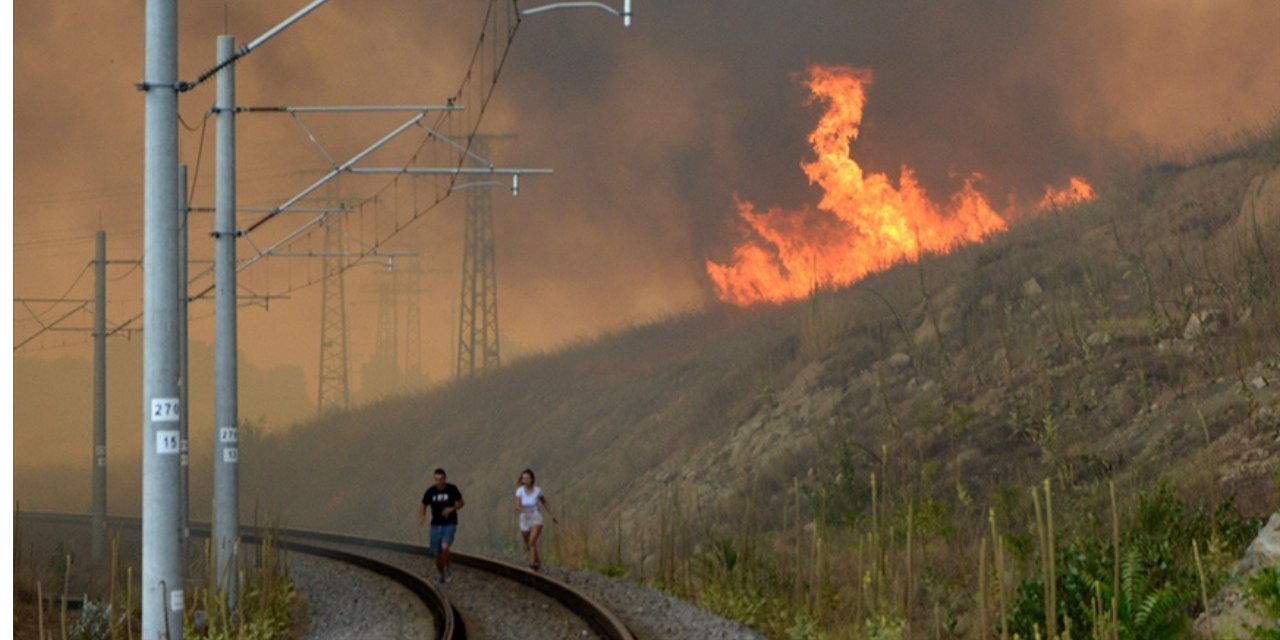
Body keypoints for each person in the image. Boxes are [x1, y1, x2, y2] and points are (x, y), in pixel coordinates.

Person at [419, 467, 464, 583]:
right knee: (437, 553)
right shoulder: (431, 491)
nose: (438, 482)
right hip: (435, 525)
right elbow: (423, 503)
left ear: (445, 478)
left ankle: (447, 569)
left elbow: (461, 502)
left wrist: (452, 509)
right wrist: (422, 515)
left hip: (449, 524)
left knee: (445, 546)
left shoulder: (452, 489)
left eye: (440, 479)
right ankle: (442, 574)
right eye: (436, 479)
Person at [514, 468, 557, 570]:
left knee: (532, 542)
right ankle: (537, 561)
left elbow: (544, 502)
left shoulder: (538, 490)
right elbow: (517, 506)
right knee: (528, 543)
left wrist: (552, 514)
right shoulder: (519, 491)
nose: (526, 480)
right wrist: (524, 510)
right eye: (524, 478)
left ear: (532, 479)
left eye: (528, 478)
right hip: (524, 517)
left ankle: (532, 565)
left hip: (535, 516)